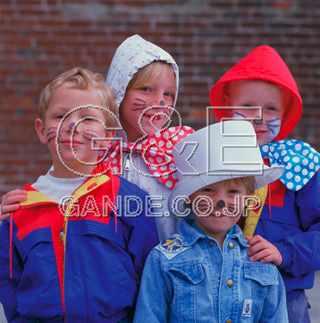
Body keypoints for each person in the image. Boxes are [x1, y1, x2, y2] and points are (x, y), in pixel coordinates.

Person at [0, 67, 158, 322]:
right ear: (42, 130)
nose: (72, 124)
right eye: (60, 115)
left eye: (87, 118)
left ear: (107, 136)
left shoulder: (128, 200)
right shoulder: (20, 208)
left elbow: (152, 278)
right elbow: (9, 284)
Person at [0, 34, 194, 241]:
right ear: (120, 90)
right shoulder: (92, 148)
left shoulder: (180, 149)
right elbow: (58, 191)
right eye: (145, 89)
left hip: (174, 270)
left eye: (168, 94)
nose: (160, 102)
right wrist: (19, 210)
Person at [133, 120, 288, 323]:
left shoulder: (261, 262)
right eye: (208, 190)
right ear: (189, 197)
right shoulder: (163, 260)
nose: (220, 202)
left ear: (248, 198)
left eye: (233, 191)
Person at [209, 45, 320, 323]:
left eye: (271, 108)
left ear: (286, 113)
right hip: (221, 297)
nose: (259, 117)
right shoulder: (211, 157)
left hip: (285, 297)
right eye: (247, 107)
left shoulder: (301, 164)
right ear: (227, 105)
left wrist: (285, 252)